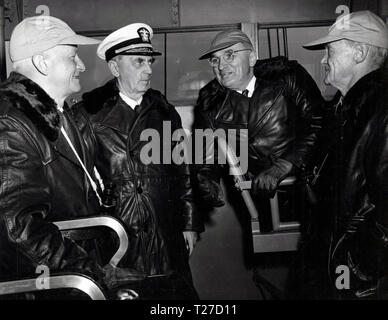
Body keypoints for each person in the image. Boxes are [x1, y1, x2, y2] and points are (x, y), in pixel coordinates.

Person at [0, 16, 144, 298]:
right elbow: (18, 228)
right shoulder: (10, 125)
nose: (82, 65)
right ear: (42, 63)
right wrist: (92, 271)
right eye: (72, 57)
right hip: (50, 283)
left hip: (74, 261)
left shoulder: (58, 116)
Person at [74, 23, 203, 299]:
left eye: (149, 61)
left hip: (166, 234)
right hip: (120, 241)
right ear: (115, 68)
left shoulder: (163, 110)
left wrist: (189, 223)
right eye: (138, 62)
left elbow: (183, 171)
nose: (148, 70)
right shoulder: (88, 115)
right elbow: (79, 186)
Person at [193, 29, 324, 233]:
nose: (221, 66)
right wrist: (207, 177)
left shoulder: (288, 77)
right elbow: (208, 151)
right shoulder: (210, 101)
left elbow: (319, 123)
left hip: (310, 191)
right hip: (262, 201)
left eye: (229, 55)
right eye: (215, 60)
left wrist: (283, 165)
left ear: (252, 57)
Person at [303, 10, 388, 299]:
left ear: (360, 52)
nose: (323, 60)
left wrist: (357, 267)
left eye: (329, 51)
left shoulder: (380, 112)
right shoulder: (344, 107)